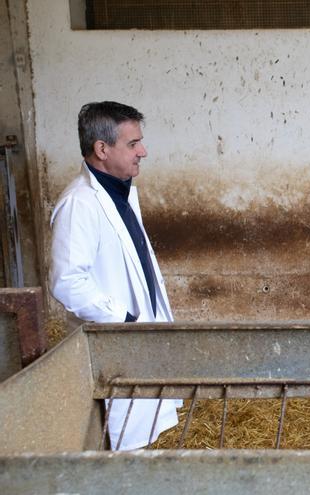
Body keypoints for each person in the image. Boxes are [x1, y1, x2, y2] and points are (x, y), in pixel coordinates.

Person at [50, 101, 179, 450]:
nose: (143, 151)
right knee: (119, 445)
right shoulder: (80, 203)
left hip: (134, 343)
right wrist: (121, 319)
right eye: (133, 143)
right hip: (115, 345)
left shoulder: (119, 193)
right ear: (102, 149)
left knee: (139, 437)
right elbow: (67, 281)